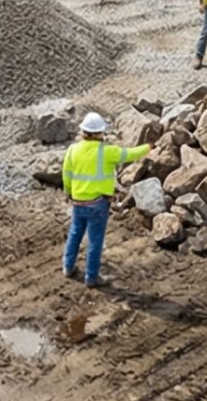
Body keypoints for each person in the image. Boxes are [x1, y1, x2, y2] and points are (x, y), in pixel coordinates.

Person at [61, 113, 149, 286]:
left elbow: (67, 174)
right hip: (98, 204)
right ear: (100, 132)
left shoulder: (73, 150)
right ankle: (91, 278)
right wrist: (149, 147)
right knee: (95, 241)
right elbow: (130, 154)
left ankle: (68, 267)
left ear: (83, 131)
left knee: (74, 234)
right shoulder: (108, 152)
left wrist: (68, 192)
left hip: (78, 202)